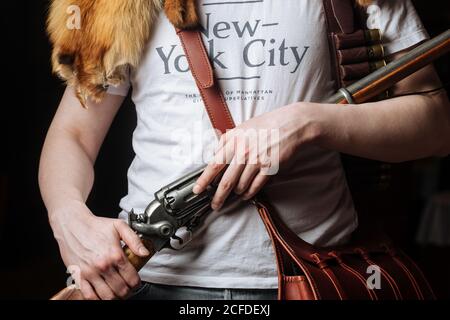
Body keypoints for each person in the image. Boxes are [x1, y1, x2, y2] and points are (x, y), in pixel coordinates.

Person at [39, 0, 450, 300]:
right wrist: (68, 218)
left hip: (313, 276)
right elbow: (73, 135)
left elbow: (435, 125)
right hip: (149, 277)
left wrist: (310, 123)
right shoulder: (111, 6)